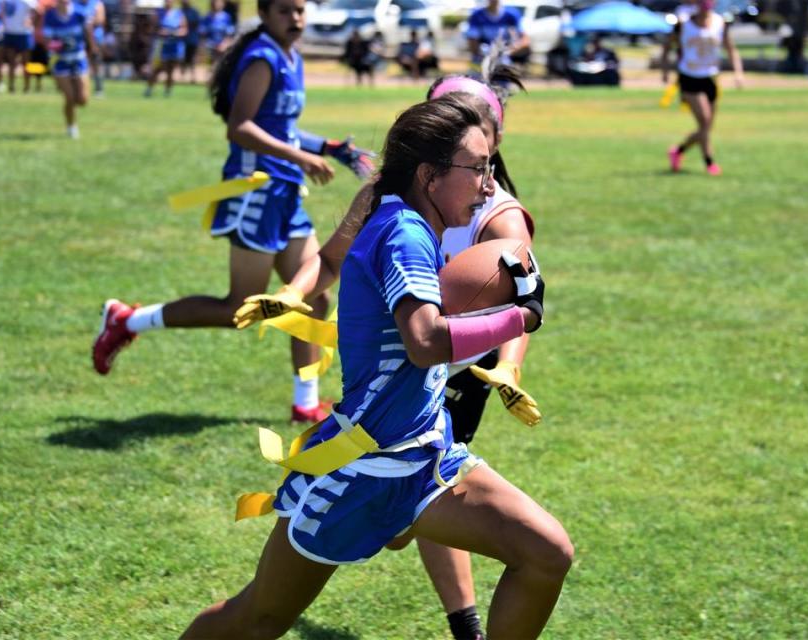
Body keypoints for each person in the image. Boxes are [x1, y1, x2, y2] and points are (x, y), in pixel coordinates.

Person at [180, 91, 571, 640]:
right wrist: (518, 318)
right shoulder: (405, 234)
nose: (488, 186)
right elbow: (425, 341)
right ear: (430, 175)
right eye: (477, 170)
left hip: (425, 458)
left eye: (490, 169)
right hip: (361, 471)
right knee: (258, 617)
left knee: (546, 553)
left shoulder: (409, 219)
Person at [92, 0, 374, 424]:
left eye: (300, 10)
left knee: (314, 293)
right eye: (284, 11)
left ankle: (305, 404)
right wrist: (300, 156)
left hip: (285, 194)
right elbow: (239, 126)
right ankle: (128, 320)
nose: (295, 18)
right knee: (238, 310)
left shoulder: (290, 56)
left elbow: (281, 125)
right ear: (262, 13)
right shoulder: (261, 57)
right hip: (254, 195)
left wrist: (328, 148)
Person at [662, 0, 743, 176]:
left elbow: (731, 49)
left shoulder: (719, 22)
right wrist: (665, 70)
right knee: (705, 122)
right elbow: (668, 46)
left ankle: (678, 151)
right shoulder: (684, 24)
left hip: (710, 77)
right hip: (689, 77)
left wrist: (738, 72)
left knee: (706, 128)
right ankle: (709, 162)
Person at [42, 0, 94, 137]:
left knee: (82, 100)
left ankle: (73, 111)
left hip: (78, 58)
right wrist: (59, 45)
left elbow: (88, 32)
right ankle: (71, 127)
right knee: (69, 97)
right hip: (60, 60)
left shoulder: (79, 13)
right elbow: (47, 42)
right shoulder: (50, 16)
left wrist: (93, 49)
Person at [464, 0, 530, 70]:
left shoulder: (512, 14)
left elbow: (525, 39)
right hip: (481, 59)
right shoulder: (477, 15)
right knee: (475, 79)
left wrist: (510, 51)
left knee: (503, 76)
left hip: (504, 60)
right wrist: (484, 54)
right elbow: (472, 41)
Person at [144, 0, 185, 96]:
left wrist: (175, 33)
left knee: (171, 69)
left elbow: (184, 29)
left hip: (174, 45)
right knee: (157, 67)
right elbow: (151, 28)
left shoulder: (178, 13)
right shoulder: (158, 12)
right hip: (161, 44)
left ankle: (168, 91)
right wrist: (160, 32)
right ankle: (150, 88)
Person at [1, 0, 37, 92]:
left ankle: (27, 87)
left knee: (26, 63)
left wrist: (31, 21)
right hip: (9, 33)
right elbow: (2, 10)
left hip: (24, 34)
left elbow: (36, 11)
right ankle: (11, 86)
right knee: (11, 62)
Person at [200, 0, 234, 71]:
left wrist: (224, 44)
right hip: (210, 46)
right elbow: (203, 32)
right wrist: (204, 45)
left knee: (221, 66)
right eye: (215, 2)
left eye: (219, 2)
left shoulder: (226, 17)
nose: (217, 4)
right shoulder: (207, 17)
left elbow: (229, 33)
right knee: (211, 66)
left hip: (222, 46)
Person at [179, 0, 199, 83]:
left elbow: (197, 24)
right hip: (181, 40)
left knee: (192, 59)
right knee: (182, 58)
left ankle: (192, 77)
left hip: (192, 39)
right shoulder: (179, 12)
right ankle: (182, 77)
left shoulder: (194, 12)